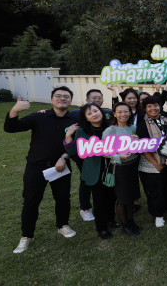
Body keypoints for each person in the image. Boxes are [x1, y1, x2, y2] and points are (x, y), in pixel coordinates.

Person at [5, 88, 77, 253]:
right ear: (51, 99)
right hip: (36, 167)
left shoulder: (74, 120)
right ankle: (27, 236)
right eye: (58, 96)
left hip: (61, 166)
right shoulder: (39, 116)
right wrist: (15, 110)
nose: (62, 99)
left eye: (66, 97)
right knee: (30, 202)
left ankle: (63, 225)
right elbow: (12, 128)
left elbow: (77, 143)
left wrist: (64, 157)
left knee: (63, 198)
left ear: (70, 101)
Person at [65, 103, 118, 240]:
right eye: (89, 113)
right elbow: (72, 151)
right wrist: (68, 136)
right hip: (94, 170)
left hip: (112, 168)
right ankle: (101, 228)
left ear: (101, 111)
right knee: (99, 200)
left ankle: (110, 219)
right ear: (86, 118)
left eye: (95, 111)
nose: (94, 114)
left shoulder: (112, 127)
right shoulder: (81, 132)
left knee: (112, 197)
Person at [102, 102, 142, 236]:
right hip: (119, 168)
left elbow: (139, 148)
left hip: (133, 166)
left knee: (131, 196)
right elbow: (103, 151)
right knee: (122, 198)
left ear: (130, 113)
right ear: (114, 114)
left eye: (126, 111)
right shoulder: (110, 130)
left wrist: (137, 142)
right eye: (119, 112)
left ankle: (131, 222)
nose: (123, 114)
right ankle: (125, 226)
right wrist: (119, 156)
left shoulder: (134, 128)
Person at [136, 96, 167, 228]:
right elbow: (143, 148)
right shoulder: (142, 125)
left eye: (155, 105)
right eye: (150, 106)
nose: (153, 108)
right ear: (145, 109)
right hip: (151, 164)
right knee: (154, 190)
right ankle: (158, 215)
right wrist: (156, 163)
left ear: (160, 106)